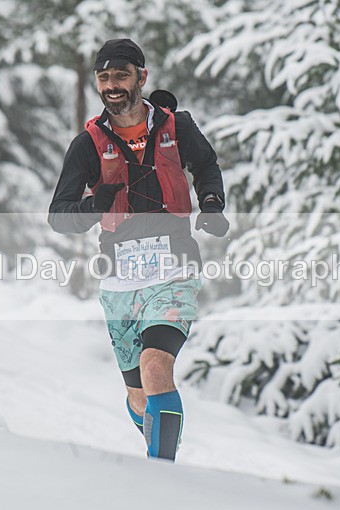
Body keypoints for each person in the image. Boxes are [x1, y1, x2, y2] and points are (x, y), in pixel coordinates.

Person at [48, 39, 229, 461]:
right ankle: (157, 441)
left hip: (173, 266)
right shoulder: (87, 144)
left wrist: (212, 204)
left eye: (121, 76)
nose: (112, 85)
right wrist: (96, 204)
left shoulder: (177, 126)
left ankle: (160, 478)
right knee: (137, 394)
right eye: (104, 77)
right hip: (119, 281)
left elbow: (206, 166)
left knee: (154, 365)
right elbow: (59, 216)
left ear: (141, 78)